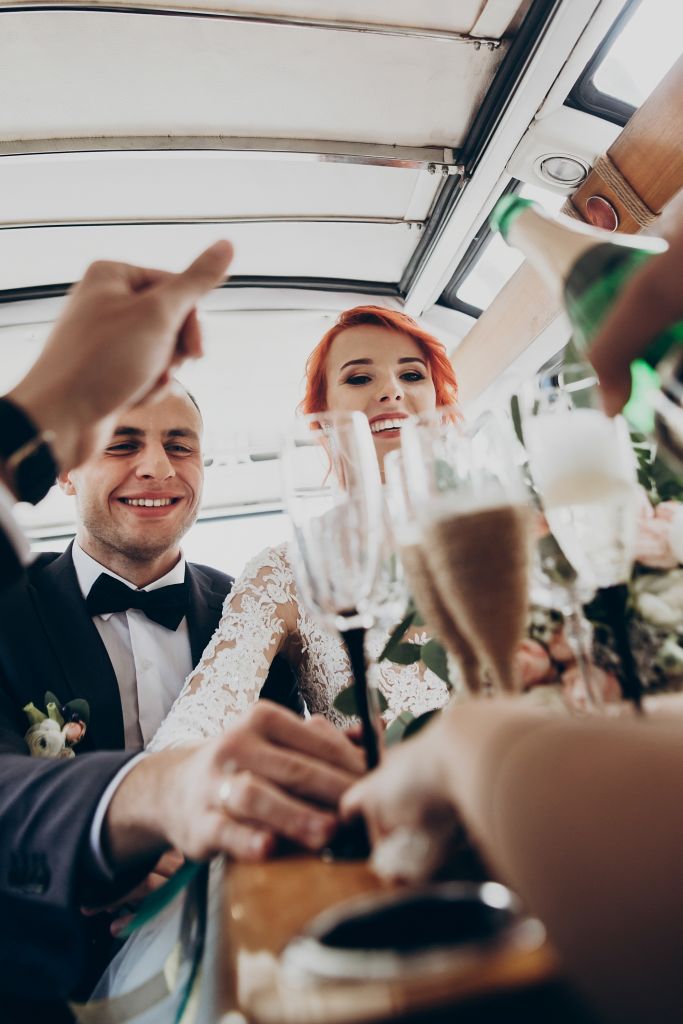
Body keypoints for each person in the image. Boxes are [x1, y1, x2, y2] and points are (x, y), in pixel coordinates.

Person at [0, 245, 364, 1017]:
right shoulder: (6, 605)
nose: (156, 468)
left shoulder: (250, 609)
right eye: (123, 443)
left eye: (179, 446)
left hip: (231, 938)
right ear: (65, 470)